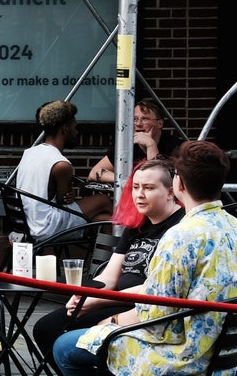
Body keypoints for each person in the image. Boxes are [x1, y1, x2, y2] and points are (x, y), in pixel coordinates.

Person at [53, 142, 237, 376]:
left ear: (178, 186)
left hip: (187, 354)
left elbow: (154, 318)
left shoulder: (181, 236)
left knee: (67, 347)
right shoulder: (235, 227)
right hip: (227, 356)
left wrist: (108, 321)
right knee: (95, 340)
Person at [31, 157, 182, 360]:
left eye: (148, 188)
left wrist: (96, 302)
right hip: (115, 300)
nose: (139, 195)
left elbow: (154, 288)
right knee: (45, 328)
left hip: (143, 310)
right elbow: (109, 277)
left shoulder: (180, 228)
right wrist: (83, 297)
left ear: (171, 191)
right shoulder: (137, 226)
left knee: (69, 340)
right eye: (136, 187)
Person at [13, 100, 113, 243]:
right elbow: (63, 201)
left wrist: (68, 194)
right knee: (104, 200)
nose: (76, 132)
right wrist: (68, 194)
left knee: (107, 220)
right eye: (74, 127)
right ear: (65, 128)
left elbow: (58, 196)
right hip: (47, 226)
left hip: (28, 222)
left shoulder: (29, 153)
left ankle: (104, 262)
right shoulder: (61, 164)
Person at [89, 97, 182, 185]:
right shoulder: (126, 144)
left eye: (144, 119)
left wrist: (150, 145)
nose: (138, 124)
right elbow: (94, 173)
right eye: (134, 119)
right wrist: (128, 181)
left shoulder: (175, 146)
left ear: (160, 123)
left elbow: (158, 180)